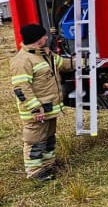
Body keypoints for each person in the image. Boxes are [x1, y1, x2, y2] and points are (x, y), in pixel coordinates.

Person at [9, 23, 71, 181]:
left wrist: (84, 62)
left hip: (49, 108)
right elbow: (22, 89)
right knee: (35, 141)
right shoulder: (22, 61)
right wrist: (35, 109)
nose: (46, 37)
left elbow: (62, 64)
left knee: (49, 137)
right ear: (37, 39)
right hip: (37, 112)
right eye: (44, 35)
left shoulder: (44, 54)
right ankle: (35, 172)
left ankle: (48, 165)